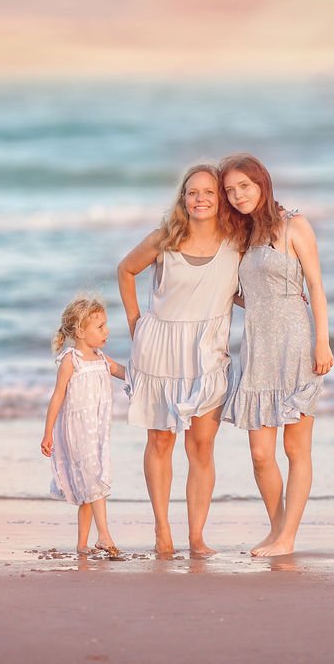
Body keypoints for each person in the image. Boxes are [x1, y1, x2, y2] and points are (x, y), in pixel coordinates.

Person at [117, 163, 245, 557]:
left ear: (220, 199)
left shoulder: (237, 241)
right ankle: (161, 531)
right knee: (160, 441)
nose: (200, 199)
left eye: (208, 192)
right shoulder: (164, 240)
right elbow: (125, 270)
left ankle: (197, 537)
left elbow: (243, 288)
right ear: (183, 199)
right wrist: (137, 324)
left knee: (201, 448)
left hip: (208, 352)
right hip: (160, 349)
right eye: (192, 192)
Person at [220, 153, 334, 557]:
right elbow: (239, 294)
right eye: (230, 191)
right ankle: (276, 528)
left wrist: (323, 341)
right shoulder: (239, 236)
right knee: (260, 453)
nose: (237, 196)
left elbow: (316, 288)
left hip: (296, 342)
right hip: (256, 347)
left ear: (262, 183)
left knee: (295, 449)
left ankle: (288, 538)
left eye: (244, 187)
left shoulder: (294, 225)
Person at [40, 296, 125, 556]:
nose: (106, 331)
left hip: (97, 431)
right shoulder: (71, 360)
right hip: (76, 432)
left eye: (105, 325)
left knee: (90, 485)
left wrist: (153, 372)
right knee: (94, 480)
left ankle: (81, 544)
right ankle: (105, 536)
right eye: (100, 327)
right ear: (79, 331)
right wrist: (47, 433)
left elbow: (127, 373)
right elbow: (57, 397)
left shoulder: (101, 359)